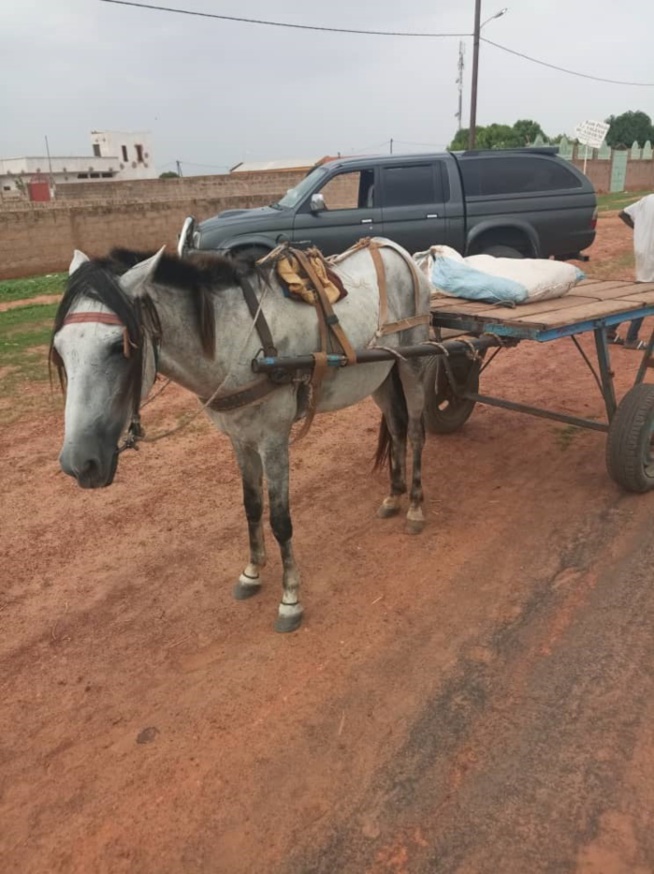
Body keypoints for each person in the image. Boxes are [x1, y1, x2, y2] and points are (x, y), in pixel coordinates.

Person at [611, 193, 654, 349]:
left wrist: (639, 231)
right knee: (646, 297)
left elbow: (623, 213)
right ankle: (631, 338)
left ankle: (610, 330)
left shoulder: (647, 199)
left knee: (640, 292)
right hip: (652, 254)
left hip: (643, 250)